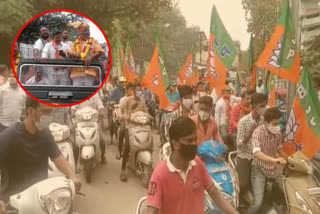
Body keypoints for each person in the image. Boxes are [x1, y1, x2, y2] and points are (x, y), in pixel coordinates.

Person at [144, 116, 238, 214]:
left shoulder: (197, 164)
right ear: (175, 144)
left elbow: (214, 193)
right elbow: (151, 210)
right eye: (189, 140)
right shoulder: (160, 174)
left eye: (195, 139)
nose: (194, 144)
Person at [0, 96, 81, 206]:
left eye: (51, 112)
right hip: (13, 203)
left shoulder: (45, 134)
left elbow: (58, 158)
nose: (49, 116)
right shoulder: (10, 136)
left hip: (40, 198)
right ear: (31, 112)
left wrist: (72, 176)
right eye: (46, 112)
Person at [247, 107, 287, 214]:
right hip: (259, 168)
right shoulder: (258, 132)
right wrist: (276, 160)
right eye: (274, 123)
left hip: (273, 169)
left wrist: (288, 158)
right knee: (258, 202)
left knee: (286, 197)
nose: (277, 126)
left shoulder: (277, 134)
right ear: (266, 122)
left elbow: (279, 148)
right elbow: (256, 153)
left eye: (279, 123)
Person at [236, 93, 267, 213]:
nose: (264, 108)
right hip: (245, 155)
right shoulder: (243, 121)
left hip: (259, 156)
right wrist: (250, 133)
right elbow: (238, 144)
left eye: (265, 105)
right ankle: (240, 203)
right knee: (243, 184)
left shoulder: (264, 121)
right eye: (262, 106)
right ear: (254, 106)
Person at [119, 83, 148, 182]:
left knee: (147, 143)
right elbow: (120, 109)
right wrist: (121, 116)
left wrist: (149, 119)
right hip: (130, 127)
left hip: (141, 126)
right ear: (134, 91)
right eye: (137, 90)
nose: (139, 92)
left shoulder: (142, 102)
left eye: (141, 90)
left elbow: (146, 113)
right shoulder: (128, 100)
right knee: (127, 147)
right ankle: (123, 170)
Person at [71, 93, 106, 164]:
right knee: (74, 142)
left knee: (102, 140)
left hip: (93, 122)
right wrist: (72, 112)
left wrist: (101, 111)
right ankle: (75, 160)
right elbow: (73, 107)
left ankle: (102, 156)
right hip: (81, 122)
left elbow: (100, 106)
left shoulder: (95, 96)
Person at [115, 83, 133, 154]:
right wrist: (121, 116)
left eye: (132, 90)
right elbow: (119, 109)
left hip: (135, 122)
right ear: (127, 90)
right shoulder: (123, 99)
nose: (131, 91)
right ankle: (119, 151)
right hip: (126, 122)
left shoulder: (137, 99)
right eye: (130, 90)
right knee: (121, 132)